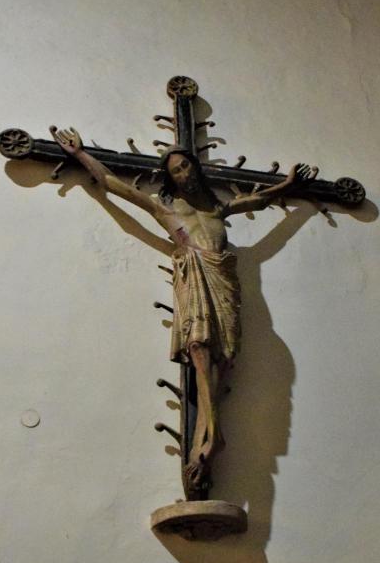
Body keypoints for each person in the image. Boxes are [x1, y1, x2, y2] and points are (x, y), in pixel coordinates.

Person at [50, 126, 317, 496]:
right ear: (170, 178)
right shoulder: (164, 208)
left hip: (223, 279)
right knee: (198, 345)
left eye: (186, 166)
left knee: (223, 358)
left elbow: (259, 201)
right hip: (194, 274)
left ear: (195, 167)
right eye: (176, 170)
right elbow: (112, 184)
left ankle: (206, 437)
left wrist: (287, 186)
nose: (183, 173)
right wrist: (80, 154)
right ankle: (213, 435)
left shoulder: (218, 209)